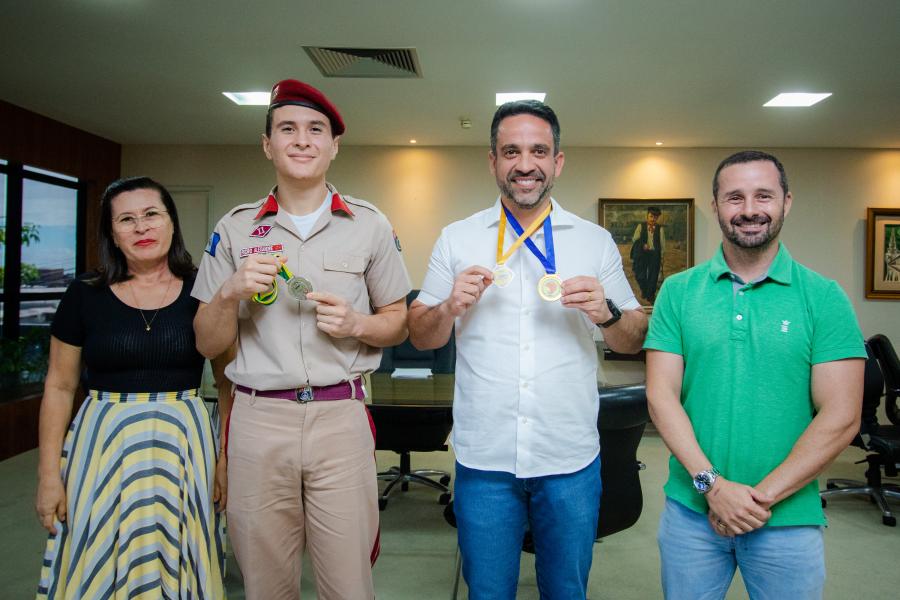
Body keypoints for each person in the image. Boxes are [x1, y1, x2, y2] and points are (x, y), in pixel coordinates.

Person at [407, 100, 648, 599]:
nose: (525, 164)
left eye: (538, 151)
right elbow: (422, 335)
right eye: (511, 151)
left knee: (566, 591)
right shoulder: (457, 237)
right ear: (492, 161)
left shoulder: (594, 241)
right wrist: (448, 306)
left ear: (557, 161)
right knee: (487, 592)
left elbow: (635, 338)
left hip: (569, 458)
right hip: (485, 458)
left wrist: (607, 314)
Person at [192, 79, 410, 599]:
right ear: (268, 145)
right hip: (259, 420)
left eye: (316, 130)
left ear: (334, 145)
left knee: (349, 584)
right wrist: (228, 292)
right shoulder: (235, 227)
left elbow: (398, 321)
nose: (302, 140)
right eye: (287, 129)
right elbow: (206, 343)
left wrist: (357, 324)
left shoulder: (370, 225)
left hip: (340, 417)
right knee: (265, 584)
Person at [644, 150, 866, 600]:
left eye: (763, 196)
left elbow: (841, 415)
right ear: (715, 206)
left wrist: (756, 499)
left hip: (787, 517)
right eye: (735, 197)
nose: (749, 210)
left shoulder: (824, 297)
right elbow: (661, 397)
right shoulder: (678, 292)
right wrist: (713, 487)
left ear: (786, 202)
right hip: (691, 513)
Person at [35, 176, 227, 599]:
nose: (141, 227)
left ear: (172, 222)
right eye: (126, 219)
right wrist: (49, 475)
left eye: (151, 214)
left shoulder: (205, 290)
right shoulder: (84, 294)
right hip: (102, 445)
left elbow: (228, 384)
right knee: (98, 553)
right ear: (112, 233)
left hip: (185, 444)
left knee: (180, 556)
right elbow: (60, 386)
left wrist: (225, 459)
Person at [630, 206, 665, 302]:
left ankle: (650, 295)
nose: (653, 219)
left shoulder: (660, 229)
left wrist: (661, 257)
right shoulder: (641, 226)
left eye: (655, 217)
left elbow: (662, 244)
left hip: (655, 254)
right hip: (642, 254)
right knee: (640, 275)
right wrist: (642, 245)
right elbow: (635, 239)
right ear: (647, 216)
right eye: (651, 216)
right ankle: (644, 290)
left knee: (653, 276)